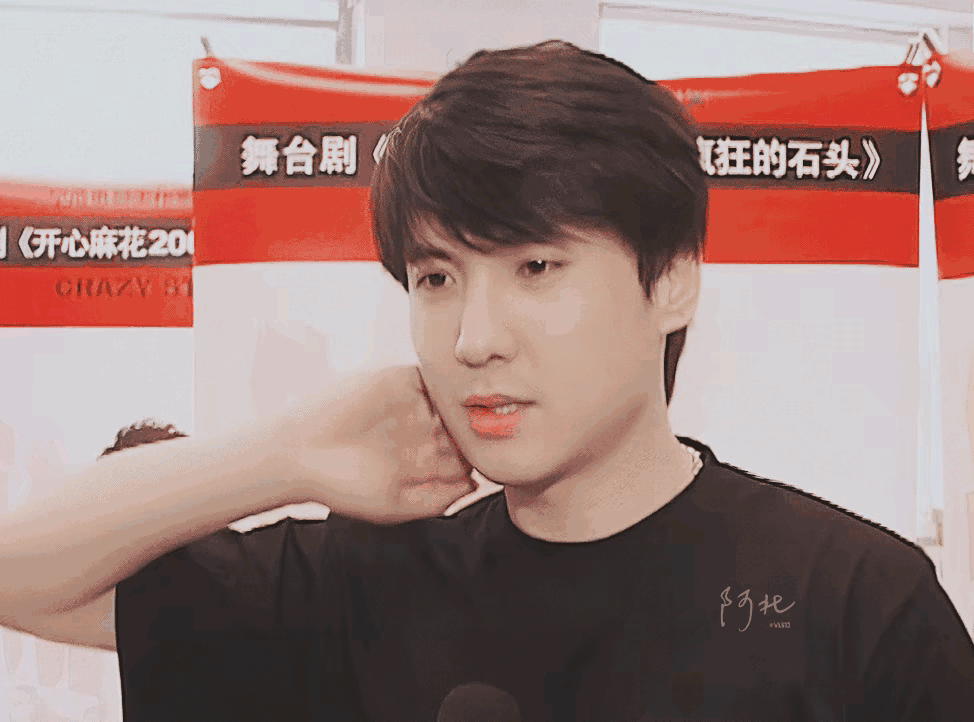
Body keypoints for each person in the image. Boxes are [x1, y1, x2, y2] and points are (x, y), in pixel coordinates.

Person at [1, 39, 972, 721]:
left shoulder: (856, 603)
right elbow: (20, 575)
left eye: (535, 267)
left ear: (672, 277)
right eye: (436, 279)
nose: (473, 338)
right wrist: (285, 452)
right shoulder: (369, 581)